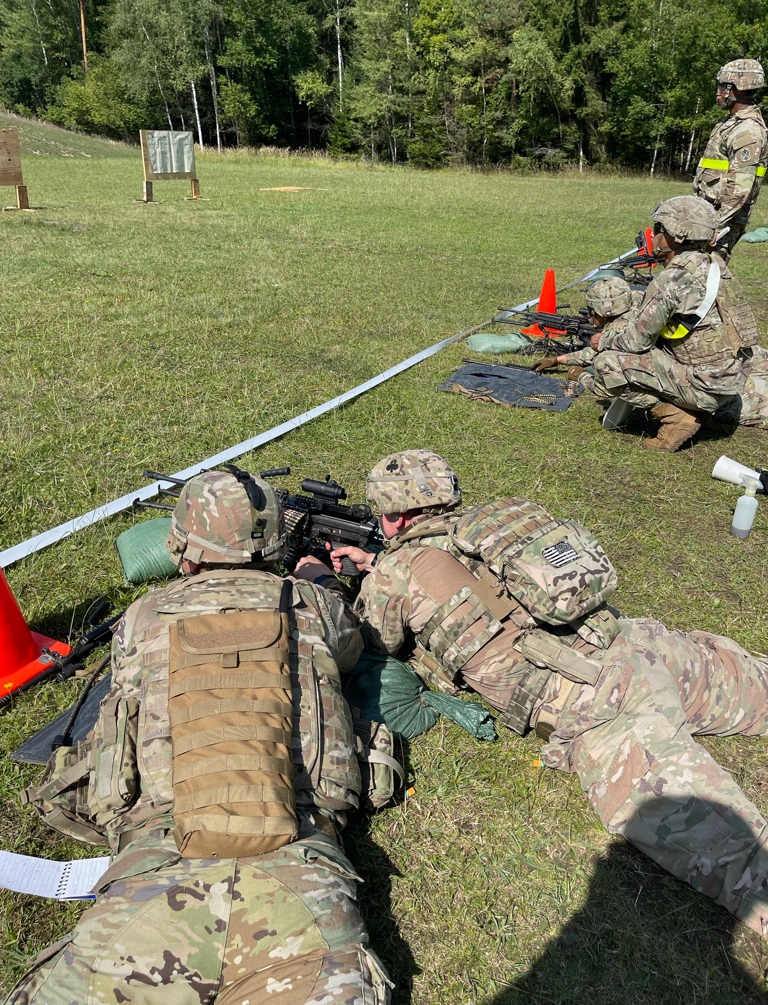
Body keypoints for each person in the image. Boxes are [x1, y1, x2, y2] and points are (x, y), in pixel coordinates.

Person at [307, 450, 768, 939]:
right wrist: (379, 563)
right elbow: (466, 586)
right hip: (641, 645)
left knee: (740, 862)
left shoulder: (392, 573)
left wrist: (322, 578)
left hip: (597, 705)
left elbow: (365, 641)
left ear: (394, 514)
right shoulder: (488, 531)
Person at [6, 468, 391, 1005]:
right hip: (301, 872)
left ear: (181, 547)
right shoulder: (316, 606)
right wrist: (318, 579)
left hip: (155, 867)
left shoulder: (142, 617)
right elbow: (351, 649)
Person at [589, 195, 756, 451]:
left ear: (676, 235)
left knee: (607, 362)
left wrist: (604, 339)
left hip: (704, 387)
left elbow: (636, 341)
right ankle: (696, 407)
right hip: (731, 380)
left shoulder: (672, 279)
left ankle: (677, 418)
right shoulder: (715, 265)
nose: (653, 235)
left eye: (659, 229)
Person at [693, 58, 768, 259]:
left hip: (723, 220)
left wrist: (716, 226)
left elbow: (740, 188)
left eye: (724, 87)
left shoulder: (747, 131)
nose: (718, 92)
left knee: (707, 275)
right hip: (710, 212)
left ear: (740, 89)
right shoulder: (731, 123)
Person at [531, 276, 642, 391]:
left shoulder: (620, 330)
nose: (589, 315)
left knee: (599, 365)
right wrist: (558, 359)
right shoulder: (638, 305)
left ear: (604, 311)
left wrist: (579, 375)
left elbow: (606, 386)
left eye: (592, 310)